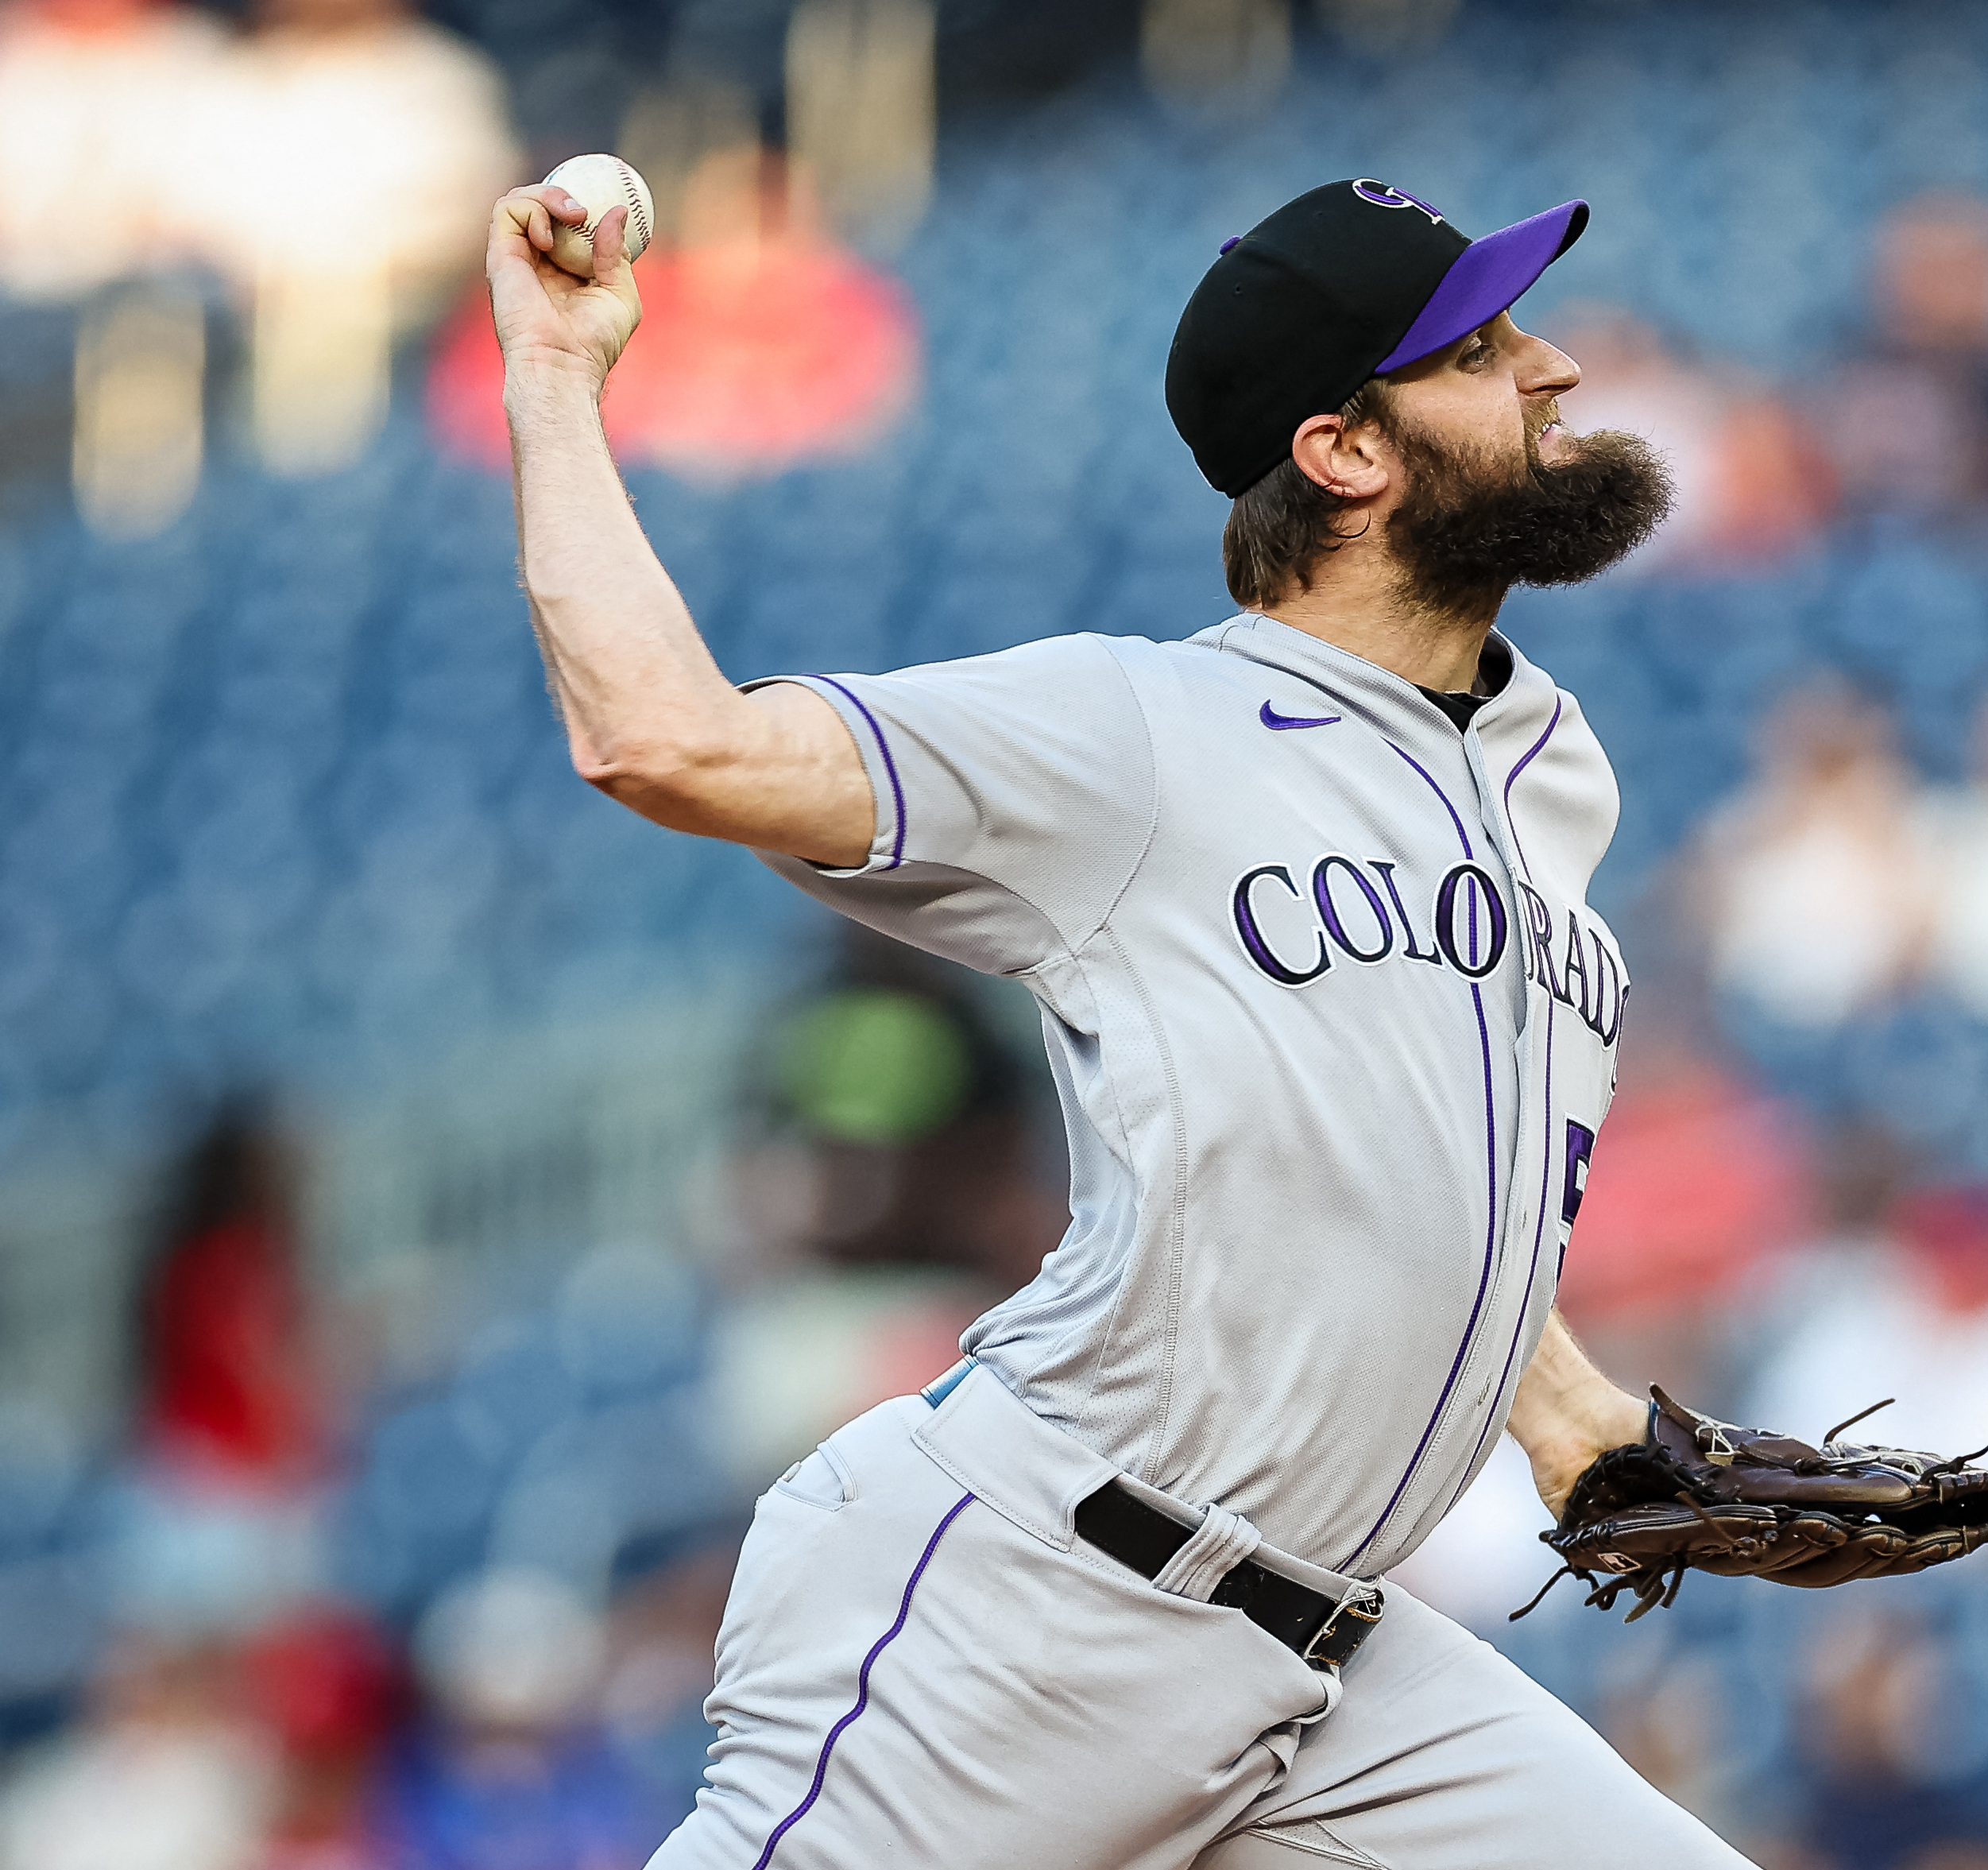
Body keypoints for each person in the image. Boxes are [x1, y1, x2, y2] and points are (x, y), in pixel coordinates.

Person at [484, 172, 1750, 1866]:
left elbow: (1389, 1144)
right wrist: (556, 378)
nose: (1557, 367)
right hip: (1028, 1613)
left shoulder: (1548, 768)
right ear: (1347, 452)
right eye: (1484, 345)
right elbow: (666, 740)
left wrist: (1562, 1408)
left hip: (1330, 1671)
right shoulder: (1140, 733)